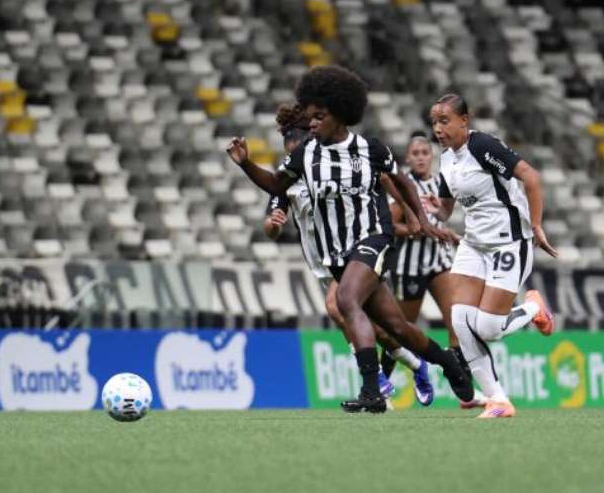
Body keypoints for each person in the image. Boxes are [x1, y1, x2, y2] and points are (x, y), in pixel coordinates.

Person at [227, 65, 472, 413]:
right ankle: (448, 363)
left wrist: (420, 219)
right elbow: (276, 185)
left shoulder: (369, 149)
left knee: (345, 299)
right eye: (310, 116)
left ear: (340, 114)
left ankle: (372, 391)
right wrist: (246, 164)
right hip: (337, 254)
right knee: (396, 327)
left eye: (319, 116)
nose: (312, 123)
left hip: (373, 237)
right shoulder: (305, 154)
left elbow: (401, 182)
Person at [262, 103, 434, 405]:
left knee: (336, 306)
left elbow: (386, 180)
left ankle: (375, 381)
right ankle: (417, 365)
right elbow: (271, 227)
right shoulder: (287, 182)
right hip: (322, 264)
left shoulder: (333, 166)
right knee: (380, 330)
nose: (296, 160)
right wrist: (273, 224)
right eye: (291, 154)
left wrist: (411, 214)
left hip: (352, 253)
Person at [426, 93, 557, 419]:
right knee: (459, 320)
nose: (438, 129)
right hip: (473, 244)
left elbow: (531, 177)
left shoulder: (483, 146)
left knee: (488, 328)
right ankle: (498, 400)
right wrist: (434, 210)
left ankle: (534, 308)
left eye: (444, 121)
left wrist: (536, 225)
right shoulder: (446, 159)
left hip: (508, 243)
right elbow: (447, 208)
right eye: (434, 122)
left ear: (464, 120)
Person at [381, 132, 464, 406]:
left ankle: (463, 386)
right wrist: (413, 231)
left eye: (424, 153)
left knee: (456, 321)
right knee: (400, 330)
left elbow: (442, 217)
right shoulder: (403, 186)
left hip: (440, 261)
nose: (420, 158)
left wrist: (448, 233)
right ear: (408, 158)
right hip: (410, 266)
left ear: (431, 156)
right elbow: (390, 225)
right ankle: (382, 385)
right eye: (415, 153)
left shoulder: (440, 183)